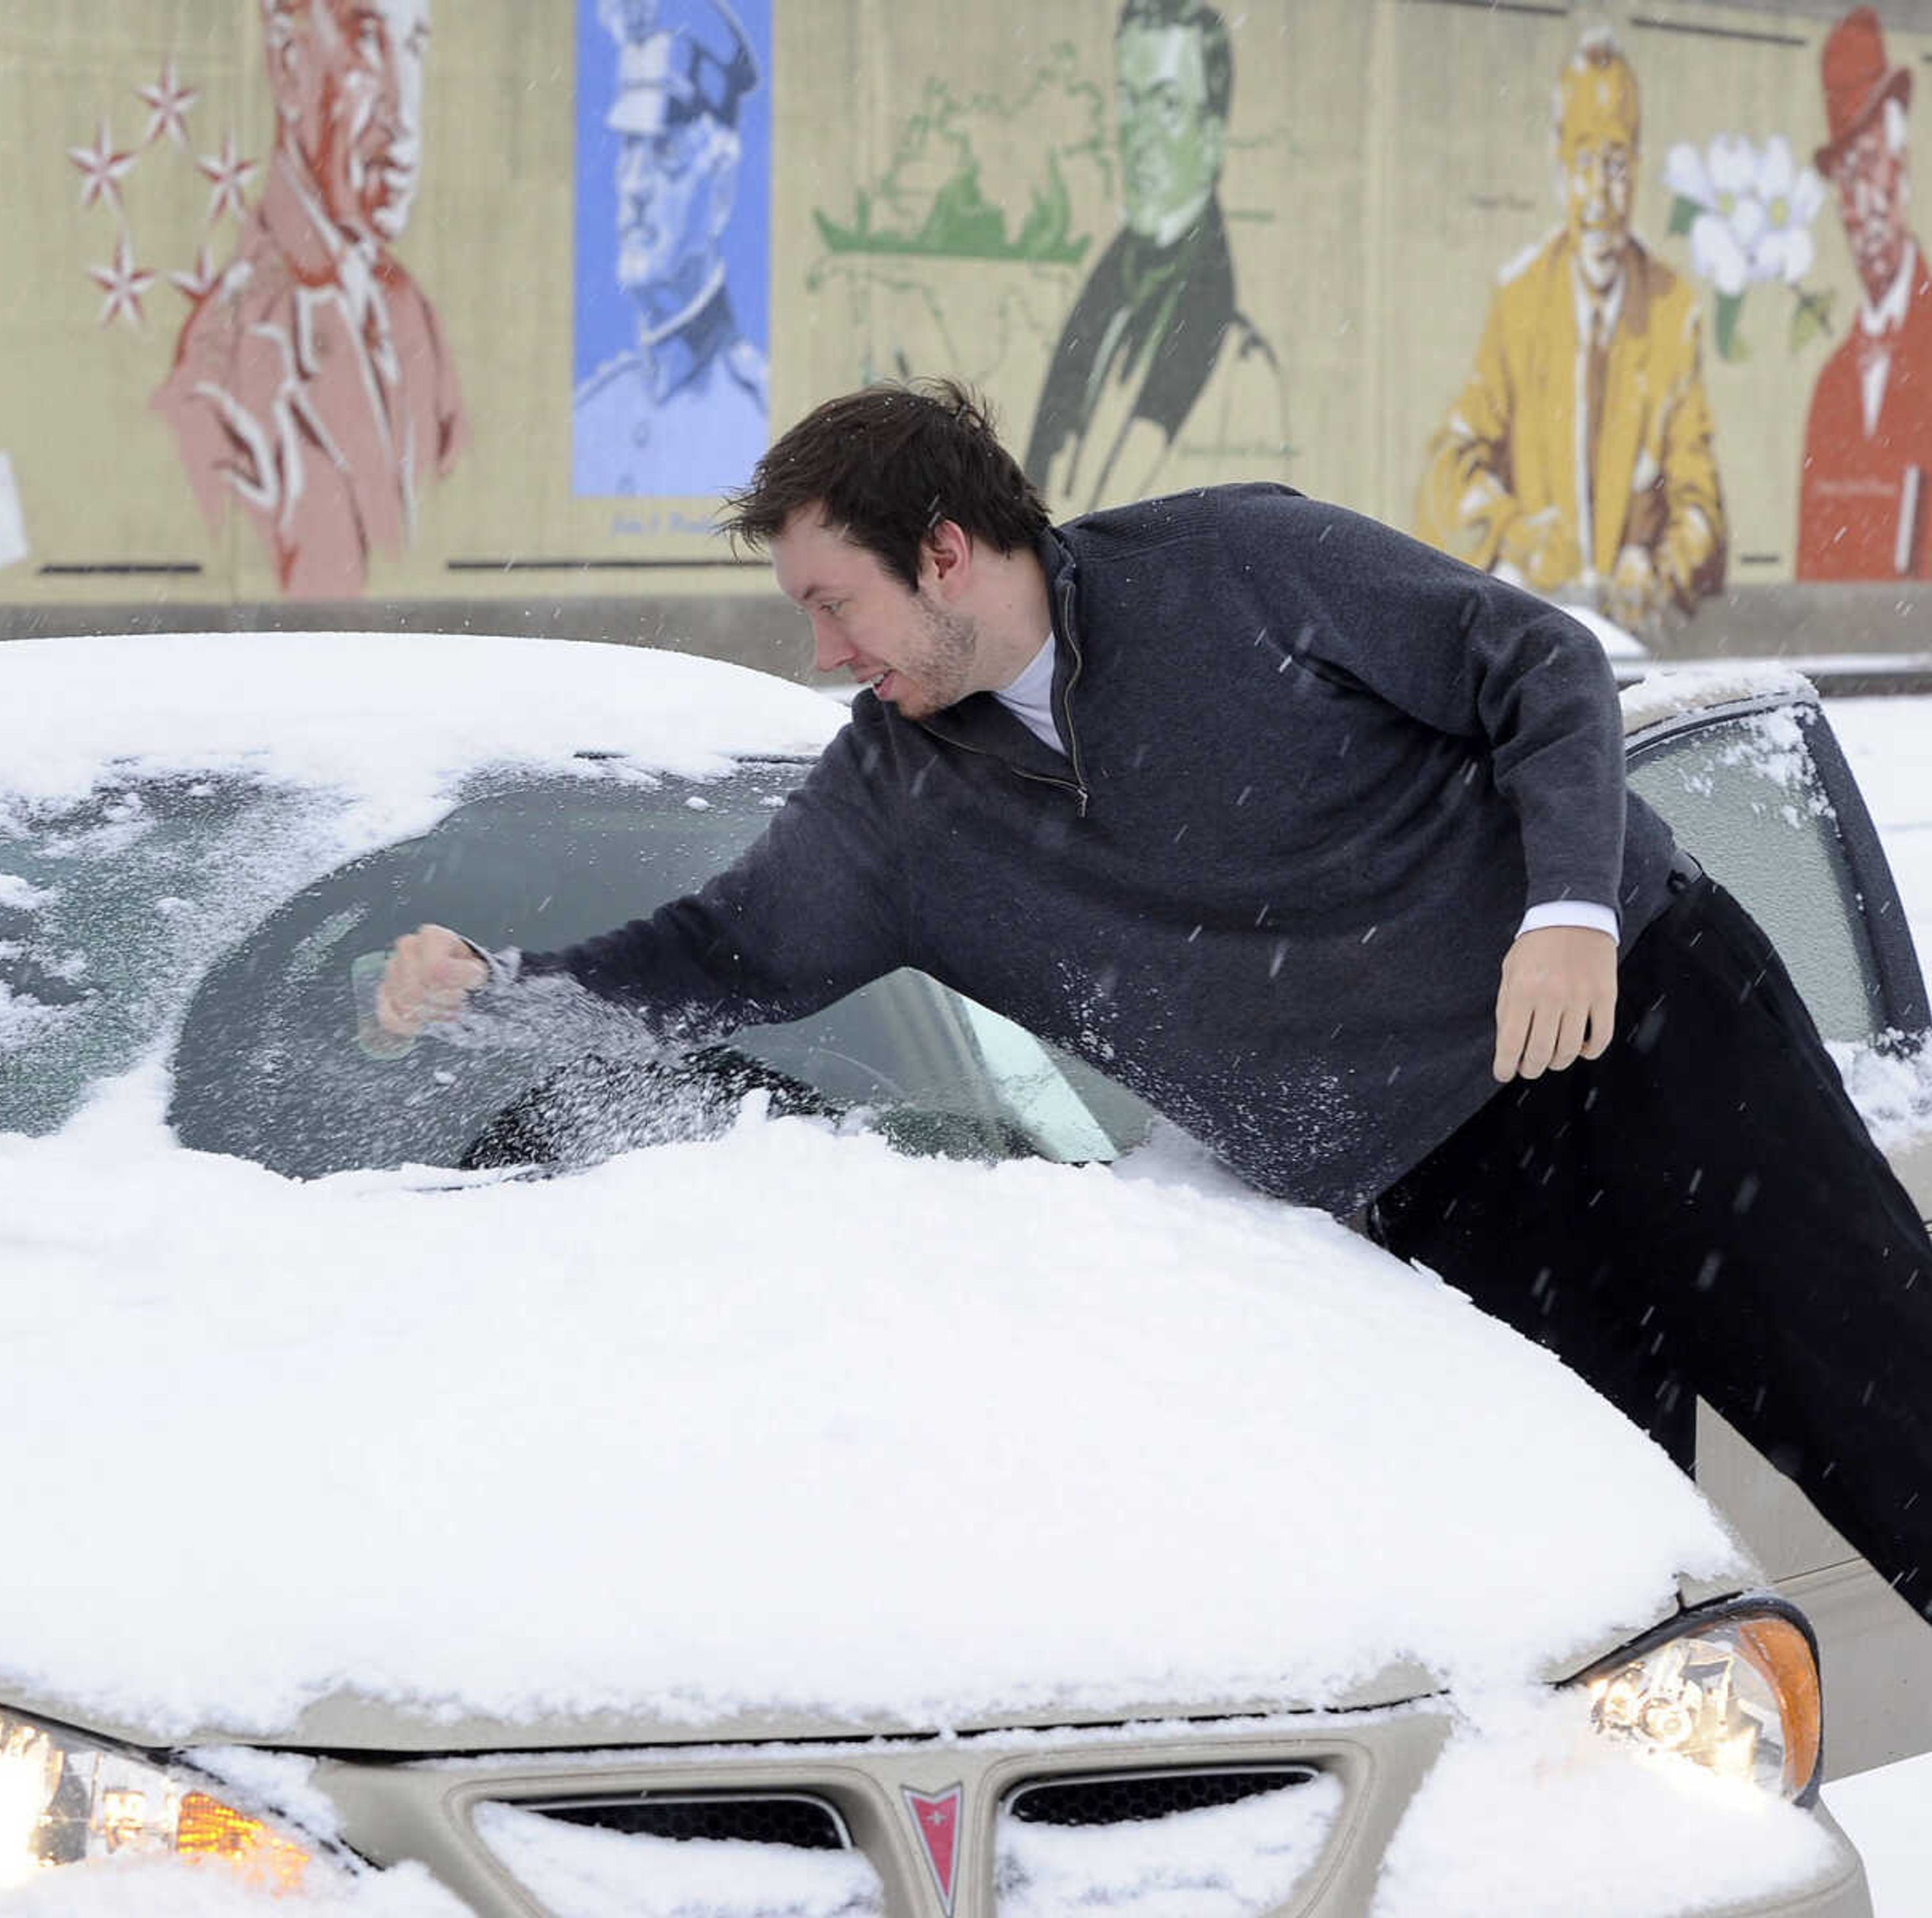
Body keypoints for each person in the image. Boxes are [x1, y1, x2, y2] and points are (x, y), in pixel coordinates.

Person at [379, 379, 1932, 1620]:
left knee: (1888, 1425)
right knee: (1599, 1602)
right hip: (1443, 1189)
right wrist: (497, 999)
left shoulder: (1237, 567)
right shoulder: (891, 809)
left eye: (833, 602)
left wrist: (1569, 908)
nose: (823, 651)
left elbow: (1531, 666)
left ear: (940, 549)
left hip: (1641, 1029)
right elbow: (720, 957)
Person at [1414, 32, 1725, 634]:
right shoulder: (1520, 300)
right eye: (1585, 164)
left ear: (1636, 169)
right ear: (1560, 170)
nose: (1601, 197)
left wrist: (1658, 565)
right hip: (1538, 633)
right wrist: (1515, 532)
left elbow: (1700, 501)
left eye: (1615, 164)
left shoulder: (1672, 307)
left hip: (1634, 648)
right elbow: (1447, 470)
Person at [155, 0, 463, 599]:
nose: (403, 114)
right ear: (289, 64)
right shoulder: (227, 371)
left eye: (414, 47)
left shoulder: (409, 318)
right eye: (369, 41)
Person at [1023, 0, 1288, 515]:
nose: (1140, 135)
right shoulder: (1099, 310)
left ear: (1212, 140)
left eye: (1166, 104)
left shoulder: (1241, 366)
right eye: (1129, 101)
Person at [570, 0, 769, 499]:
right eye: (628, 149)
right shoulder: (592, 414)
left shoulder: (760, 416)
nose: (633, 185)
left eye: (666, 152)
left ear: (721, 190)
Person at [1798, 6, 1932, 580]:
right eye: (1845, 179)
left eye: (1871, 165)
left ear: (1902, 172)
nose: (1862, 203)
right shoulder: (1832, 385)